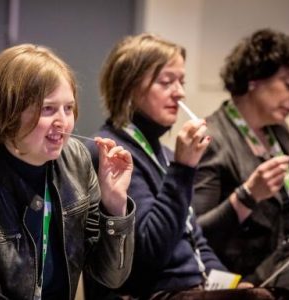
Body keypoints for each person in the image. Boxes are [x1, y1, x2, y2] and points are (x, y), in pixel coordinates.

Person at [0, 44, 136, 299]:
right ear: (8, 112)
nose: (63, 121)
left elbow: (111, 276)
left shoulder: (76, 160)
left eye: (68, 108)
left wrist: (114, 206)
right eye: (48, 109)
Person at [83, 33, 245, 300]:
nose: (179, 92)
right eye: (167, 81)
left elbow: (195, 239)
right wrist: (182, 169)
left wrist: (231, 285)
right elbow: (149, 252)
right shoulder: (112, 153)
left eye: (181, 82)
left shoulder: (163, 153)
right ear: (129, 86)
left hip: (193, 288)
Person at [192, 29, 289, 297]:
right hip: (250, 277)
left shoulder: (278, 132)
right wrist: (247, 196)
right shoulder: (213, 140)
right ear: (254, 79)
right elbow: (196, 235)